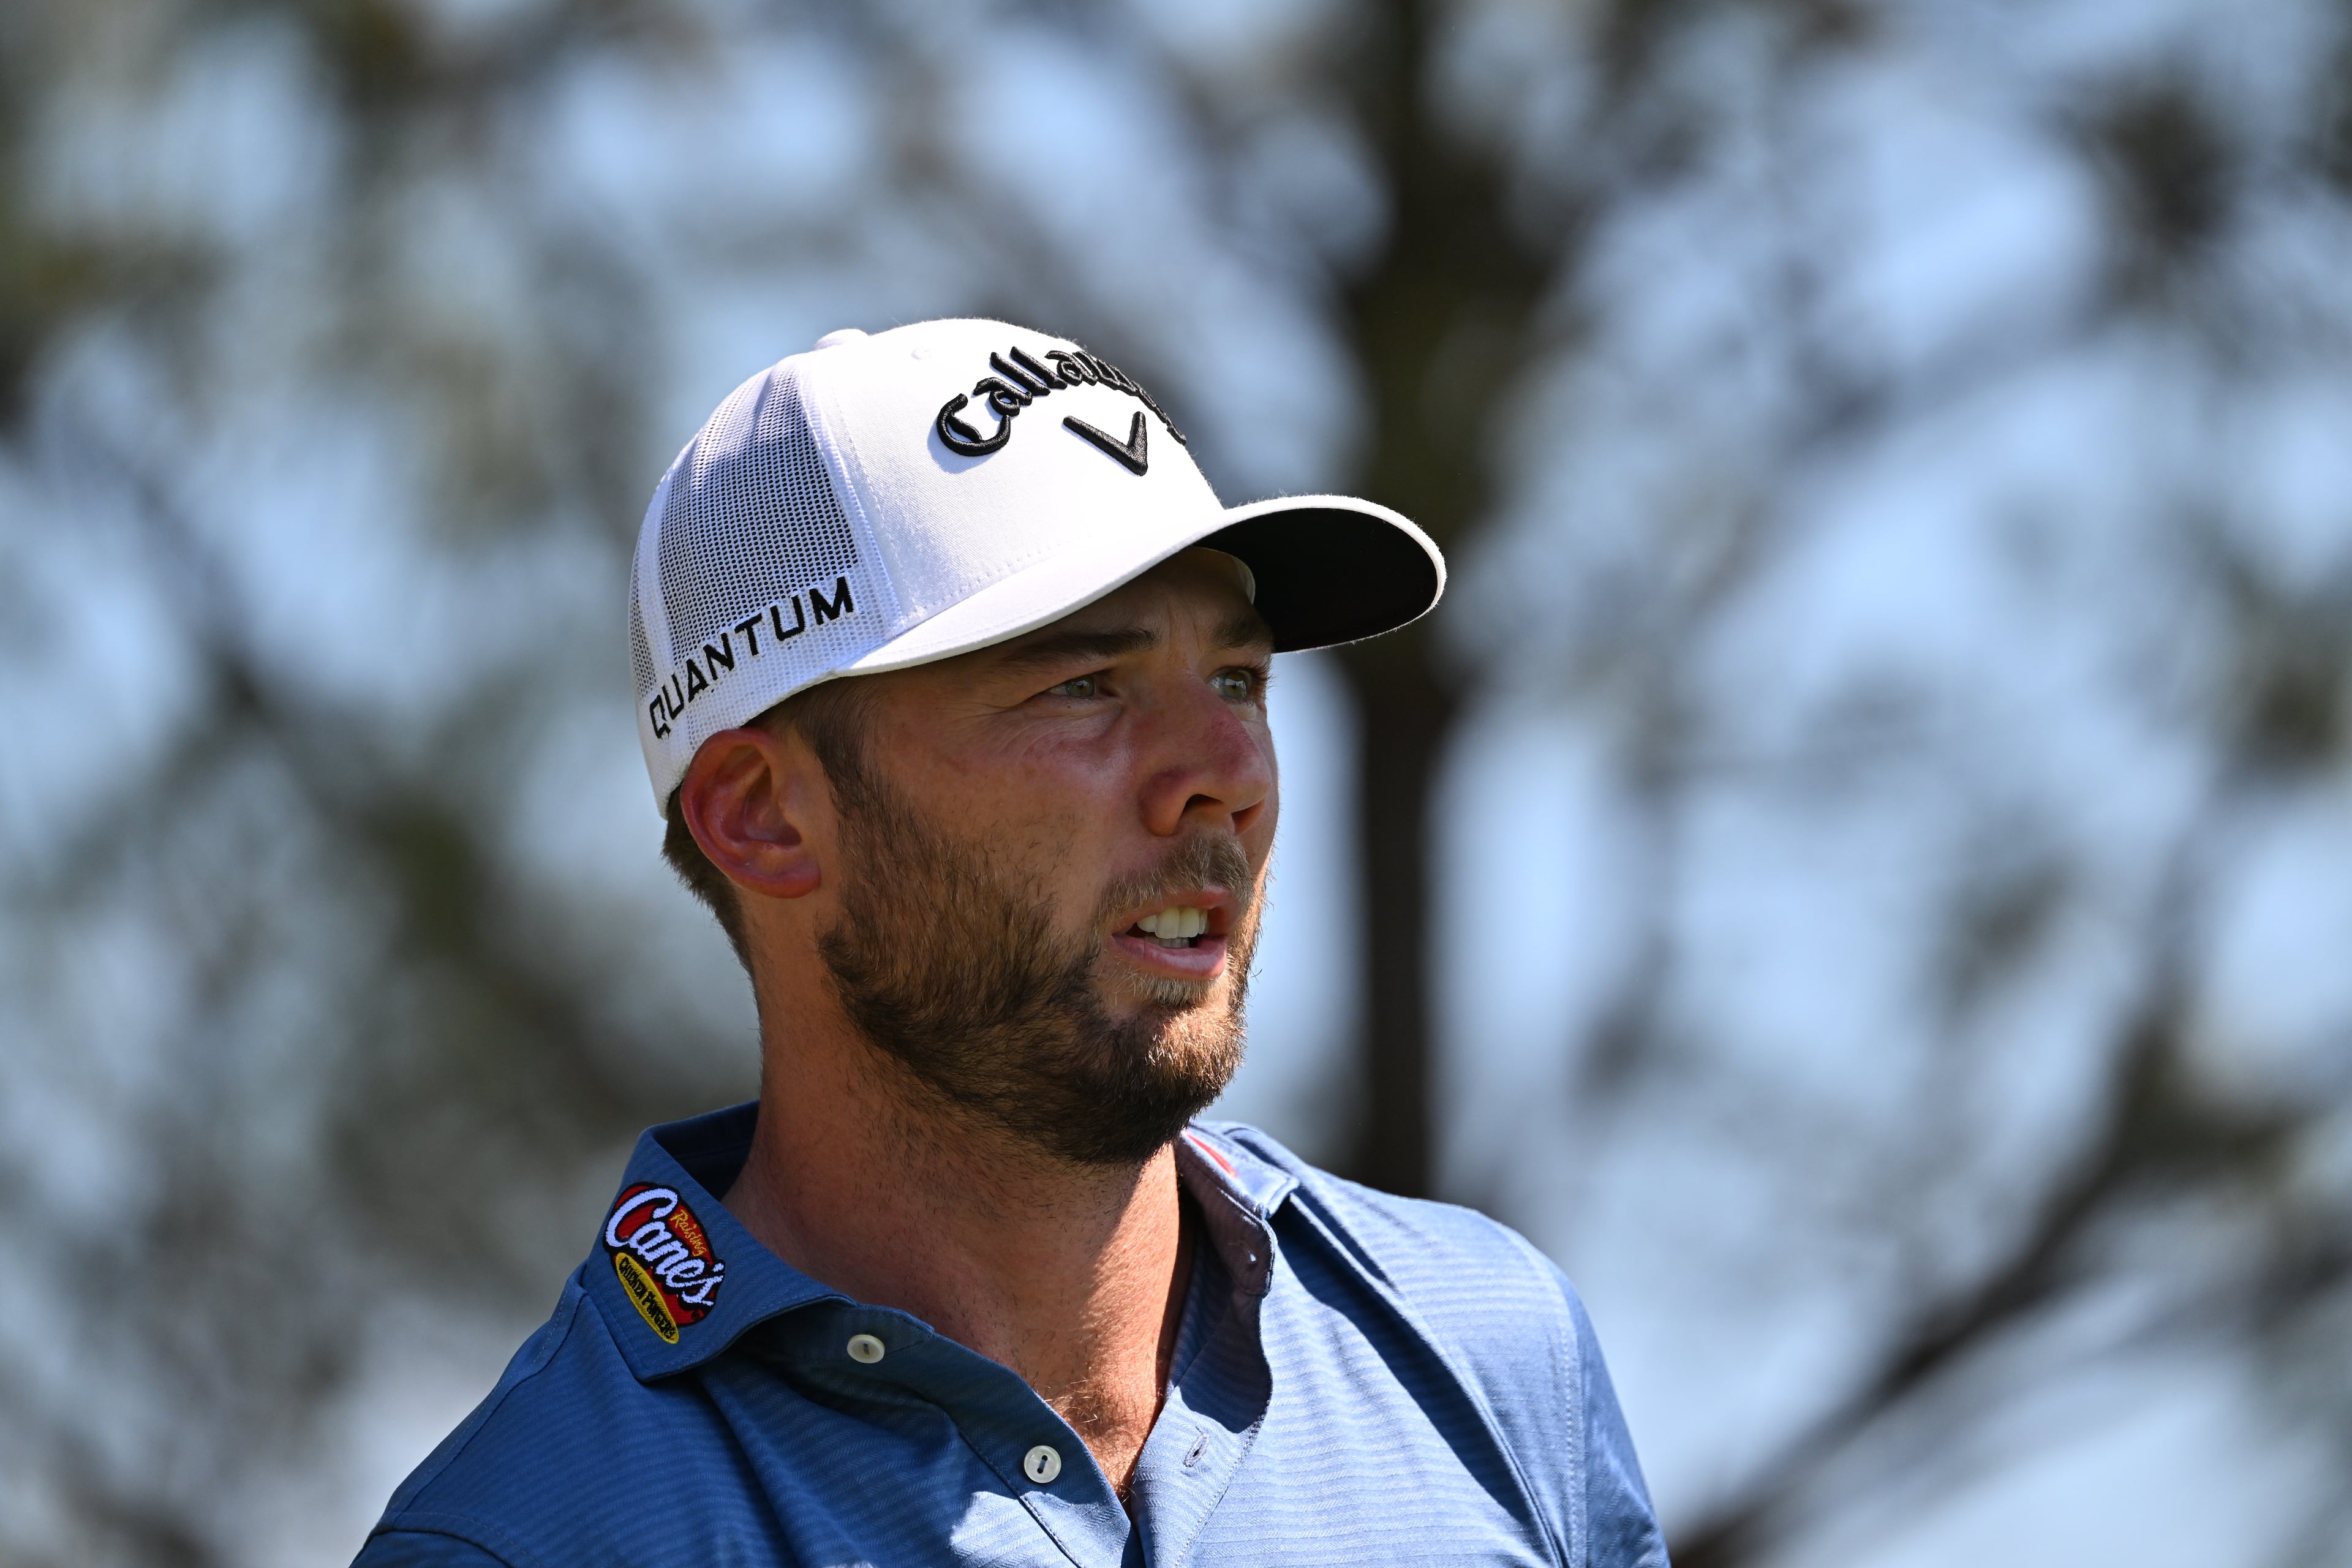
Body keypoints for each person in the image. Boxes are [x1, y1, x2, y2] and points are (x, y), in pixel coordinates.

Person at [355, 318, 1668, 1567]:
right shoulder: (536, 1535)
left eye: (1239, 678)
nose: (1224, 775)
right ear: (764, 819)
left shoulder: (1491, 1349)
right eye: (1083, 685)